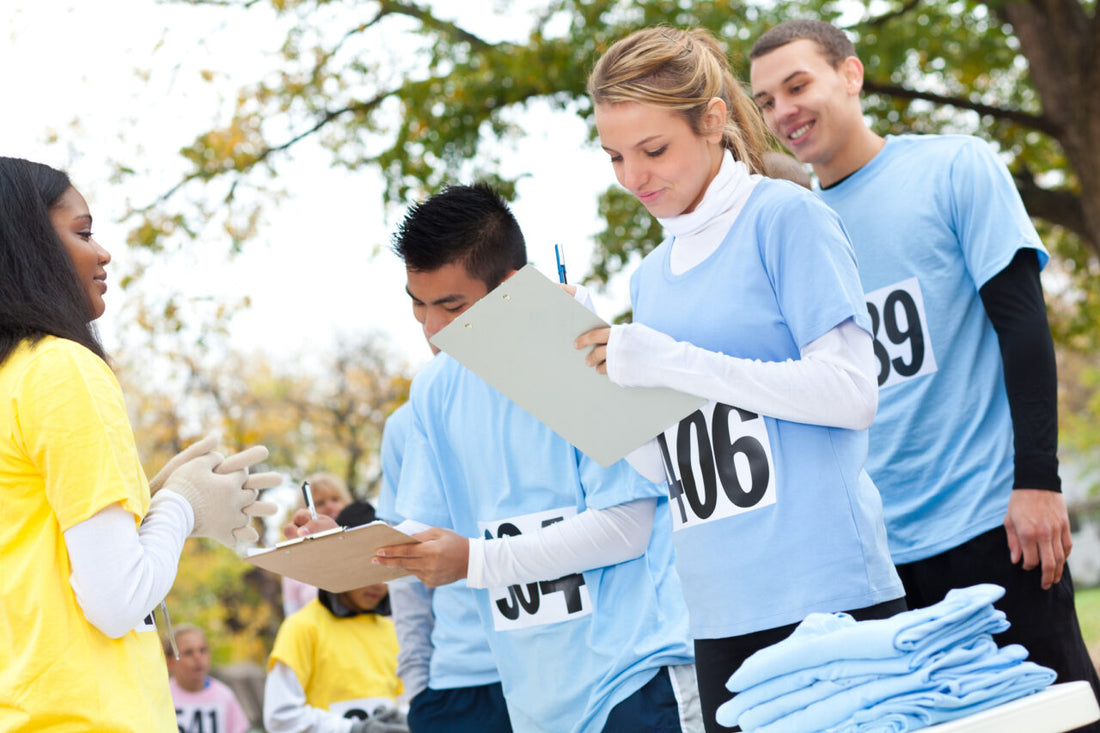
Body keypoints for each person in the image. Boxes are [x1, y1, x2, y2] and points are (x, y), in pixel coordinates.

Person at [748, 17, 1100, 720]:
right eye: (764, 101)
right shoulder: (792, 234)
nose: (783, 111)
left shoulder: (954, 166)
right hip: (878, 559)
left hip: (996, 525)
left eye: (797, 85)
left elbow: (1023, 326)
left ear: (849, 75)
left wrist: (1037, 480)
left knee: (1063, 715)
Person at [574, 27, 906, 731]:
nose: (633, 176)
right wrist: (582, 391)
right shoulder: (650, 278)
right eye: (614, 157)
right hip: (719, 615)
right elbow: (674, 462)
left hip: (824, 597)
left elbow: (852, 393)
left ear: (713, 121)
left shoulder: (786, 218)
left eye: (653, 149)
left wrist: (668, 362)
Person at [333, 182, 700, 732]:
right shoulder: (433, 390)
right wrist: (339, 547)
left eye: (451, 307)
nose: (433, 330)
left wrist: (478, 562)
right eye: (418, 306)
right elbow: (425, 534)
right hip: (535, 702)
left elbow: (629, 526)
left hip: (636, 680)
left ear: (511, 288)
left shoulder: (585, 353)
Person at [0, 156, 279, 731]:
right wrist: (182, 506)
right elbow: (117, 601)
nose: (103, 253)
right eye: (82, 232)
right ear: (26, 244)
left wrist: (146, 511)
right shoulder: (61, 369)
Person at [377, 406, 512, 726]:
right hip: (455, 683)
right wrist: (418, 687)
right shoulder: (404, 424)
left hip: (559, 669)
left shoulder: (535, 393)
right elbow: (402, 568)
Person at [264, 501, 407, 733]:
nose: (379, 584)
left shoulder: (392, 631)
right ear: (339, 563)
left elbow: (404, 702)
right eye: (369, 568)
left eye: (387, 571)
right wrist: (352, 729)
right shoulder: (302, 627)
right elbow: (280, 717)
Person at [282, 472, 353, 616]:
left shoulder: (360, 540)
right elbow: (292, 611)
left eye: (335, 499)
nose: (330, 506)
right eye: (320, 503)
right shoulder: (294, 556)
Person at [165, 624, 251, 733]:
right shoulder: (162, 698)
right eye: (188, 653)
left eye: (203, 650)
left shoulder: (224, 695)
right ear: (169, 662)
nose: (198, 657)